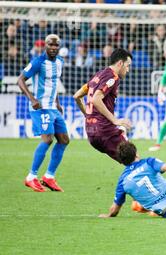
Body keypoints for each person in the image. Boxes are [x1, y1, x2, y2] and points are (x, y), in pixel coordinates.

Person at [18, 34, 69, 193]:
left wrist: (58, 103)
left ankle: (49, 177)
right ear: (45, 46)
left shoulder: (60, 62)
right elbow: (20, 80)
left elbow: (53, 83)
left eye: (56, 45)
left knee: (64, 140)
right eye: (50, 45)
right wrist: (32, 98)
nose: (53, 48)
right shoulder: (37, 62)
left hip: (53, 107)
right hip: (40, 107)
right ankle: (31, 177)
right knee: (47, 139)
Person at [72, 48, 133, 163]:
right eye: (128, 65)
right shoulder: (113, 77)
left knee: (129, 161)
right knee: (135, 161)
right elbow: (96, 99)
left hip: (91, 132)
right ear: (120, 63)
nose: (128, 70)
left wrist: (88, 115)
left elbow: (77, 96)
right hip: (104, 130)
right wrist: (115, 120)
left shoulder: (98, 76)